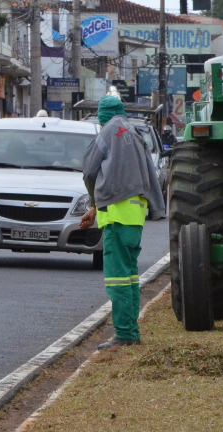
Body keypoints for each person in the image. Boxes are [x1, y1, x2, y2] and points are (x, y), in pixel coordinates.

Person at [79, 95, 165, 350]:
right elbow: (150, 173)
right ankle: (131, 330)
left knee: (117, 278)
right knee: (129, 276)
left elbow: (89, 171)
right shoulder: (136, 134)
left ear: (102, 114)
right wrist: (158, 207)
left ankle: (125, 334)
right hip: (135, 217)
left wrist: (94, 201)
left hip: (115, 217)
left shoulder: (106, 133)